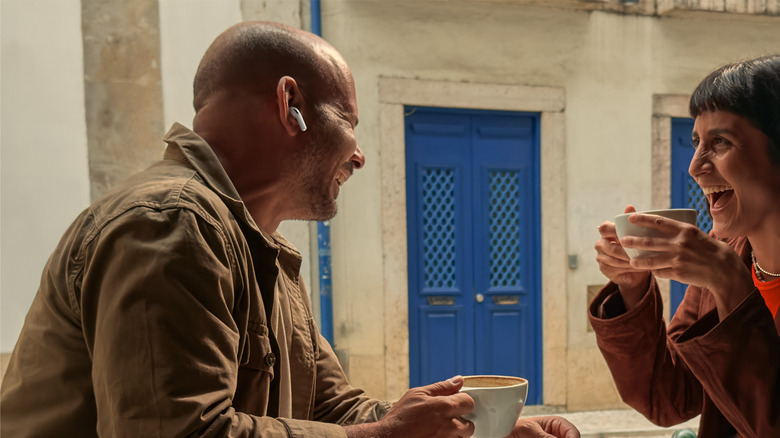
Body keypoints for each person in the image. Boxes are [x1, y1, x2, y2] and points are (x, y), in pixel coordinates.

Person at [0, 22, 579, 438]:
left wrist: (473, 428)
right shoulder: (169, 223)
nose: (359, 156)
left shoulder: (263, 248)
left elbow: (332, 409)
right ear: (289, 104)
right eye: (348, 121)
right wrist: (382, 436)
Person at [590, 54, 780, 437]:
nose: (695, 167)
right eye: (696, 142)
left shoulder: (723, 268)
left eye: (720, 142)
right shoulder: (726, 253)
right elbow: (669, 396)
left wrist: (731, 287)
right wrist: (632, 287)